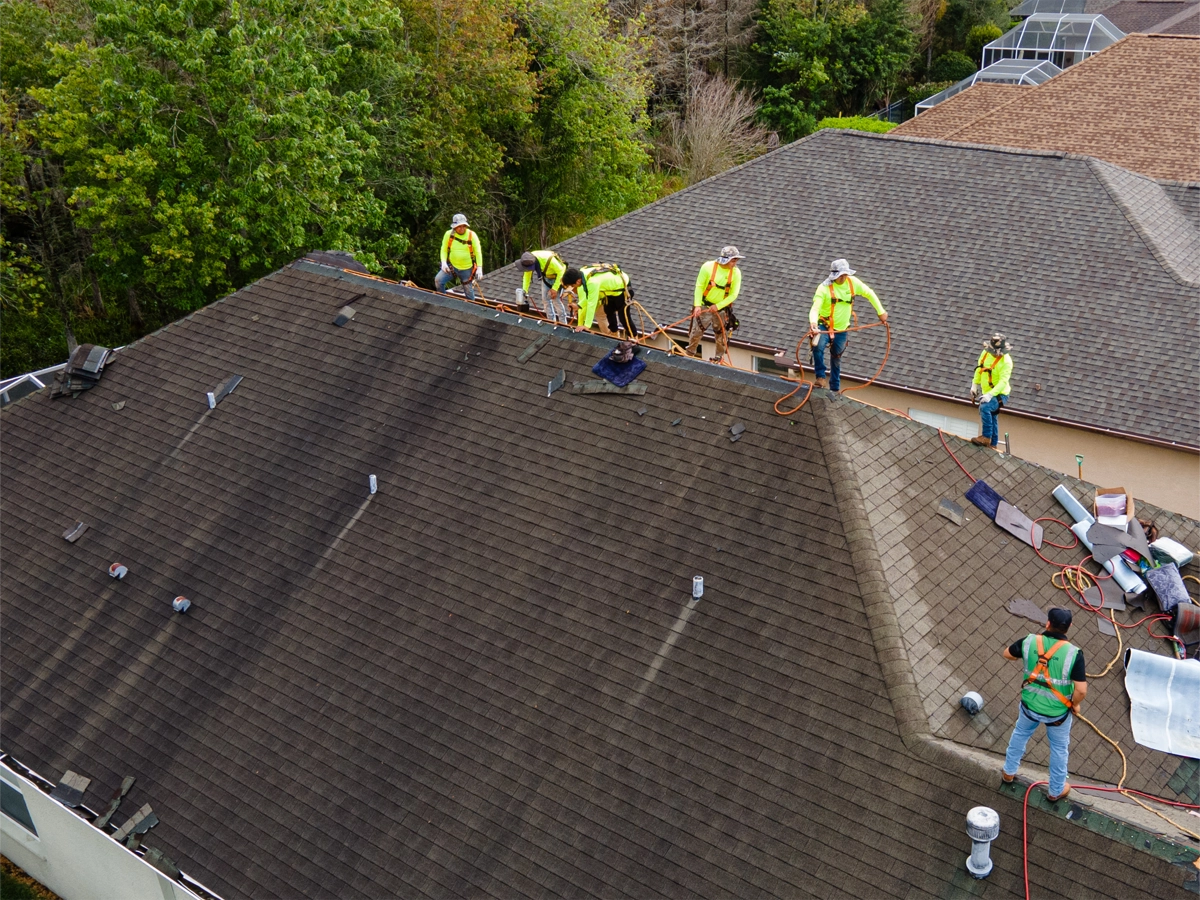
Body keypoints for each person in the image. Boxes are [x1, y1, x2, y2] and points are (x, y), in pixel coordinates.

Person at [1001, 607, 1087, 802]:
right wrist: (1075, 704)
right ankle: (1055, 790)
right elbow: (1081, 690)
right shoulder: (1074, 654)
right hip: (1057, 714)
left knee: (1020, 735)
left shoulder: (1030, 641)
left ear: (1047, 623)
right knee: (1058, 749)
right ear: (1069, 627)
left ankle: (1008, 771)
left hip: (1029, 706)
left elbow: (1007, 654)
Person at [808, 258, 887, 391]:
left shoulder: (852, 283)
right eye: (841, 275)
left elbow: (869, 293)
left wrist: (881, 312)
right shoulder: (824, 288)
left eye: (845, 275)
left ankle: (835, 388)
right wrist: (814, 324)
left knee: (837, 356)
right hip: (824, 326)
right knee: (818, 347)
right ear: (834, 275)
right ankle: (820, 377)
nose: (843, 278)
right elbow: (815, 308)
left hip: (842, 329)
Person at [686, 246, 744, 361]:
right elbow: (699, 286)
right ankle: (690, 353)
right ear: (725, 259)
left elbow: (733, 295)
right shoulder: (708, 267)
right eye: (733, 260)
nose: (735, 263)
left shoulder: (736, 273)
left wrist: (718, 306)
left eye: (736, 260)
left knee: (721, 334)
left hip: (721, 309)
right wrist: (697, 305)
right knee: (696, 331)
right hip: (704, 306)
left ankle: (719, 358)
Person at [561, 265, 637, 336]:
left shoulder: (592, 282)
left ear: (577, 281)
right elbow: (589, 296)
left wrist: (586, 326)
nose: (573, 288)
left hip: (623, 288)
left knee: (624, 317)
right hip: (610, 291)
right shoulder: (583, 274)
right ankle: (614, 335)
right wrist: (579, 306)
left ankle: (634, 338)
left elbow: (592, 303)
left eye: (572, 285)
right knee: (609, 311)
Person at [971, 333, 1013, 448]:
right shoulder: (985, 354)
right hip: (987, 391)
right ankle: (993, 444)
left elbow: (1003, 382)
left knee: (985, 407)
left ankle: (986, 437)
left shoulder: (1006, 362)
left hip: (1001, 394)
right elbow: (979, 369)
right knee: (992, 415)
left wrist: (990, 395)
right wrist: (974, 385)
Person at [434, 214, 483, 301]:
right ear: (454, 227)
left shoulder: (472, 236)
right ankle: (442, 300)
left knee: (468, 291)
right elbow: (444, 249)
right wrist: (444, 263)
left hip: (467, 269)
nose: (462, 228)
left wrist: (479, 267)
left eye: (464, 226)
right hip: (452, 266)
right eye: (459, 226)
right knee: (438, 280)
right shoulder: (448, 234)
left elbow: (478, 252)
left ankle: (471, 308)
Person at [518, 250, 569, 324]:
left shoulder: (548, 259)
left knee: (556, 300)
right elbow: (527, 277)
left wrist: (555, 288)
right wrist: (524, 292)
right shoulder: (528, 260)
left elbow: (561, 271)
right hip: (547, 277)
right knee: (545, 300)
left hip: (558, 277)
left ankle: (563, 323)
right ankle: (551, 322)